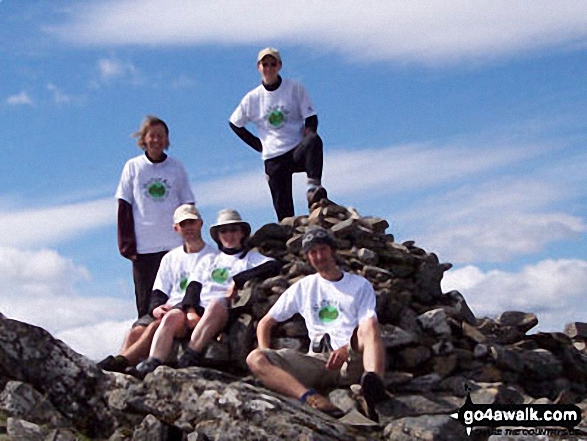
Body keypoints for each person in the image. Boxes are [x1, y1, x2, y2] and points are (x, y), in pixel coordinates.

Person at [246, 226, 387, 420]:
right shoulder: (304, 287)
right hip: (318, 361)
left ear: (332, 251)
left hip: (351, 359)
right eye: (313, 252)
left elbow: (367, 326)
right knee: (255, 358)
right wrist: (267, 351)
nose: (319, 256)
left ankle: (374, 385)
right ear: (307, 257)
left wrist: (345, 350)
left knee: (370, 325)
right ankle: (311, 398)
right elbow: (265, 323)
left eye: (323, 249)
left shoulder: (359, 285)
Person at [135, 209, 282, 377]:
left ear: (242, 232)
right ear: (218, 236)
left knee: (216, 303)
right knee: (171, 317)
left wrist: (238, 280)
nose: (229, 235)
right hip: (198, 309)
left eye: (233, 230)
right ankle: (154, 361)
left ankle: (191, 354)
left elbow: (273, 265)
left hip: (223, 310)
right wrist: (190, 311)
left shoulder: (250, 258)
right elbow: (193, 287)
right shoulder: (210, 258)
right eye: (224, 231)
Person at [97, 204, 216, 373]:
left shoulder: (214, 256)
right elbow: (159, 291)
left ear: (200, 223)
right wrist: (155, 309)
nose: (188, 227)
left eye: (191, 222)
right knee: (134, 332)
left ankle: (121, 363)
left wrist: (188, 309)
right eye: (183, 224)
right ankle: (122, 371)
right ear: (176, 228)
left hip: (192, 309)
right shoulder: (170, 258)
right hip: (169, 307)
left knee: (154, 327)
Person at [229, 47, 327, 221]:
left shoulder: (294, 88)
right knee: (285, 218)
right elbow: (235, 123)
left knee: (314, 141)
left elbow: (311, 116)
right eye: (264, 64)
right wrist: (258, 145)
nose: (268, 68)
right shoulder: (253, 98)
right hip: (274, 157)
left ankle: (313, 190)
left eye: (272, 64)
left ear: (279, 66)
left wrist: (309, 131)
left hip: (296, 149)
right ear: (258, 67)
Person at [116, 115, 195, 319]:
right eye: (152, 136)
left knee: (176, 298)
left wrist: (191, 239)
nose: (157, 140)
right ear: (144, 139)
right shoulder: (133, 166)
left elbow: (188, 204)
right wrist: (126, 245)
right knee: (146, 304)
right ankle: (146, 346)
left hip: (174, 245)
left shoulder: (176, 167)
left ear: (167, 139)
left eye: (161, 136)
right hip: (144, 247)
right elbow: (124, 206)